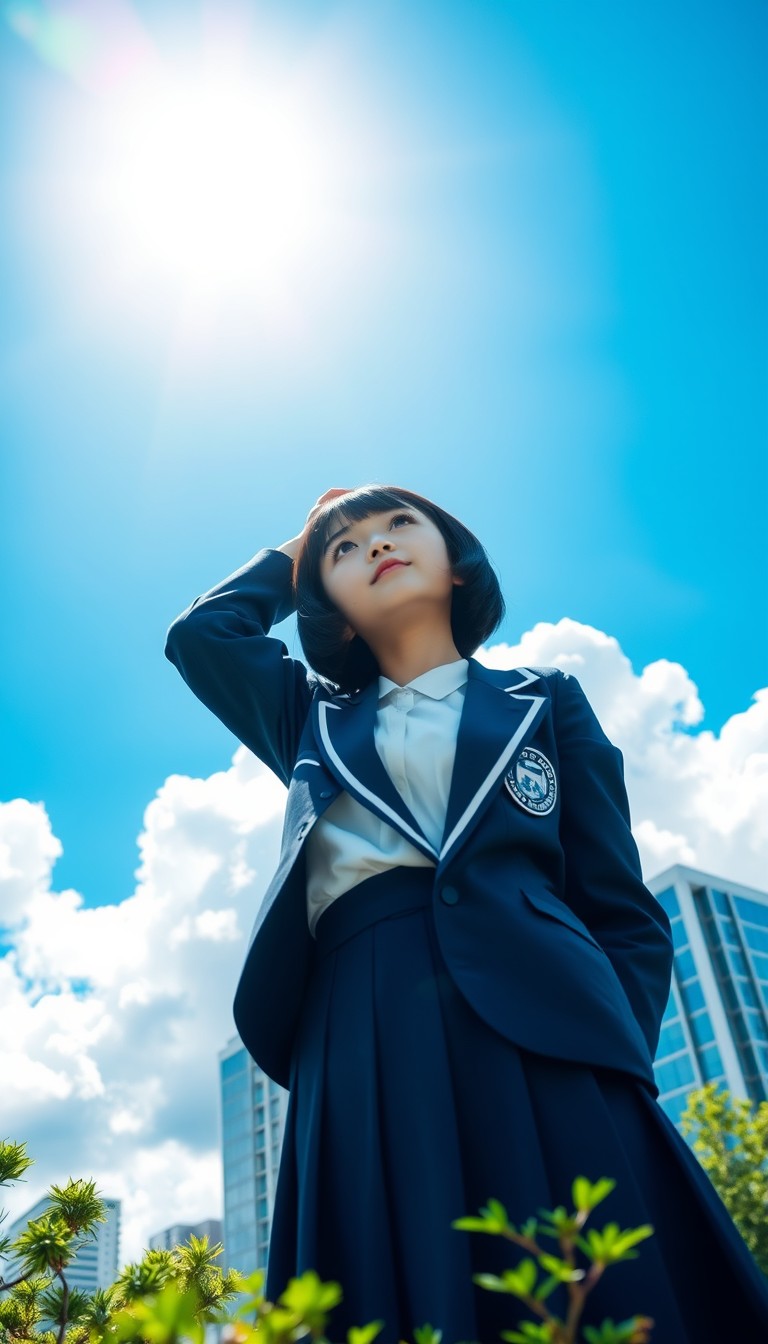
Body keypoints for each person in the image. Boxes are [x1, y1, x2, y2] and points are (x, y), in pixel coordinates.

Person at [165, 485, 768, 1344]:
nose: (376, 545)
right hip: (359, 1025)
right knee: (386, 1274)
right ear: (326, 604)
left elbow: (622, 910)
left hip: (552, 1031)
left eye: (400, 525)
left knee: (601, 1282)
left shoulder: (545, 700)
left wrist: (609, 1052)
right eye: (345, 549)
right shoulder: (309, 718)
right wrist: (298, 544)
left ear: (456, 564)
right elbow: (200, 639)